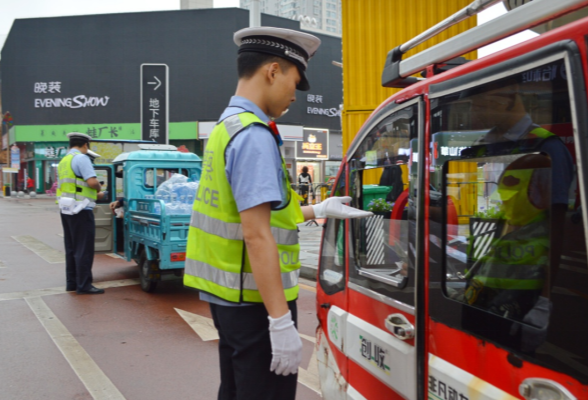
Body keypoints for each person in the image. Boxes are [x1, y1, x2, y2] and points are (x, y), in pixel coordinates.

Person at [184, 26, 372, 400]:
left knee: (236, 389)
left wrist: (316, 208)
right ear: (273, 70)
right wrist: (280, 321)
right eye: (294, 81)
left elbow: (252, 216)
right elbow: (256, 234)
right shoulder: (253, 136)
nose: (293, 96)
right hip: (254, 301)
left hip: (231, 298)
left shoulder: (227, 127)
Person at [57, 132, 105, 295]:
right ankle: (84, 285)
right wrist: (99, 189)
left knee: (71, 247)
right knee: (84, 248)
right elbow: (92, 182)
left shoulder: (64, 161)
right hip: (81, 209)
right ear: (85, 145)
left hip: (67, 209)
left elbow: (73, 186)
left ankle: (72, 282)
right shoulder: (81, 158)